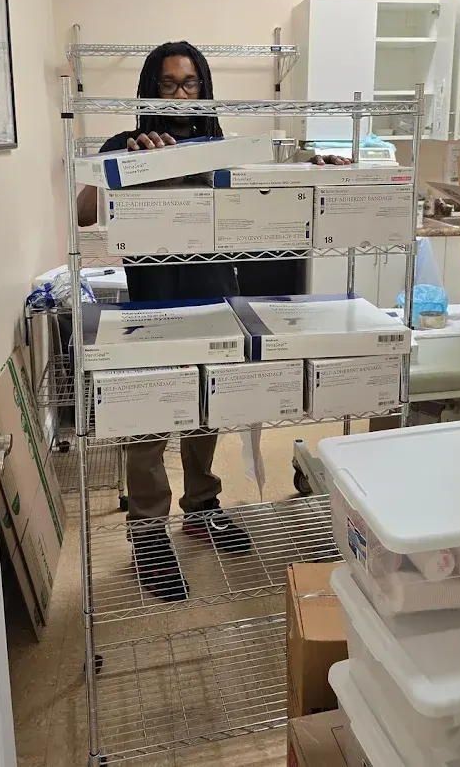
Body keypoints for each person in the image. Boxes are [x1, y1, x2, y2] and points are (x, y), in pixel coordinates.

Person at [78, 41, 348, 602]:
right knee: (149, 421)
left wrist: (313, 166)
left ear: (204, 90)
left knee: (208, 407)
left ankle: (201, 506)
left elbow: (272, 182)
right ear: (150, 90)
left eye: (191, 83)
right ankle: (148, 532)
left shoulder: (221, 147)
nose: (181, 94)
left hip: (217, 298)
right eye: (170, 83)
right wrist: (131, 163)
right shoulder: (124, 146)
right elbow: (82, 209)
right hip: (152, 306)